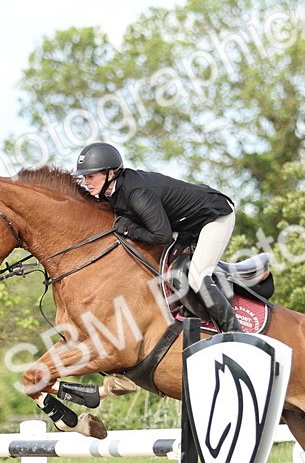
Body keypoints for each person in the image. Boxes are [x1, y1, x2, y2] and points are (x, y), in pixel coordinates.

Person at [74, 142, 241, 332]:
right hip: (188, 224)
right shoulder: (109, 192)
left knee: (196, 276)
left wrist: (129, 229)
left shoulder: (137, 193)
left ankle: (234, 331)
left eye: (90, 176)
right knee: (171, 269)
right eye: (84, 177)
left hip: (214, 216)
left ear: (110, 173)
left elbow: (163, 236)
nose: (86, 182)